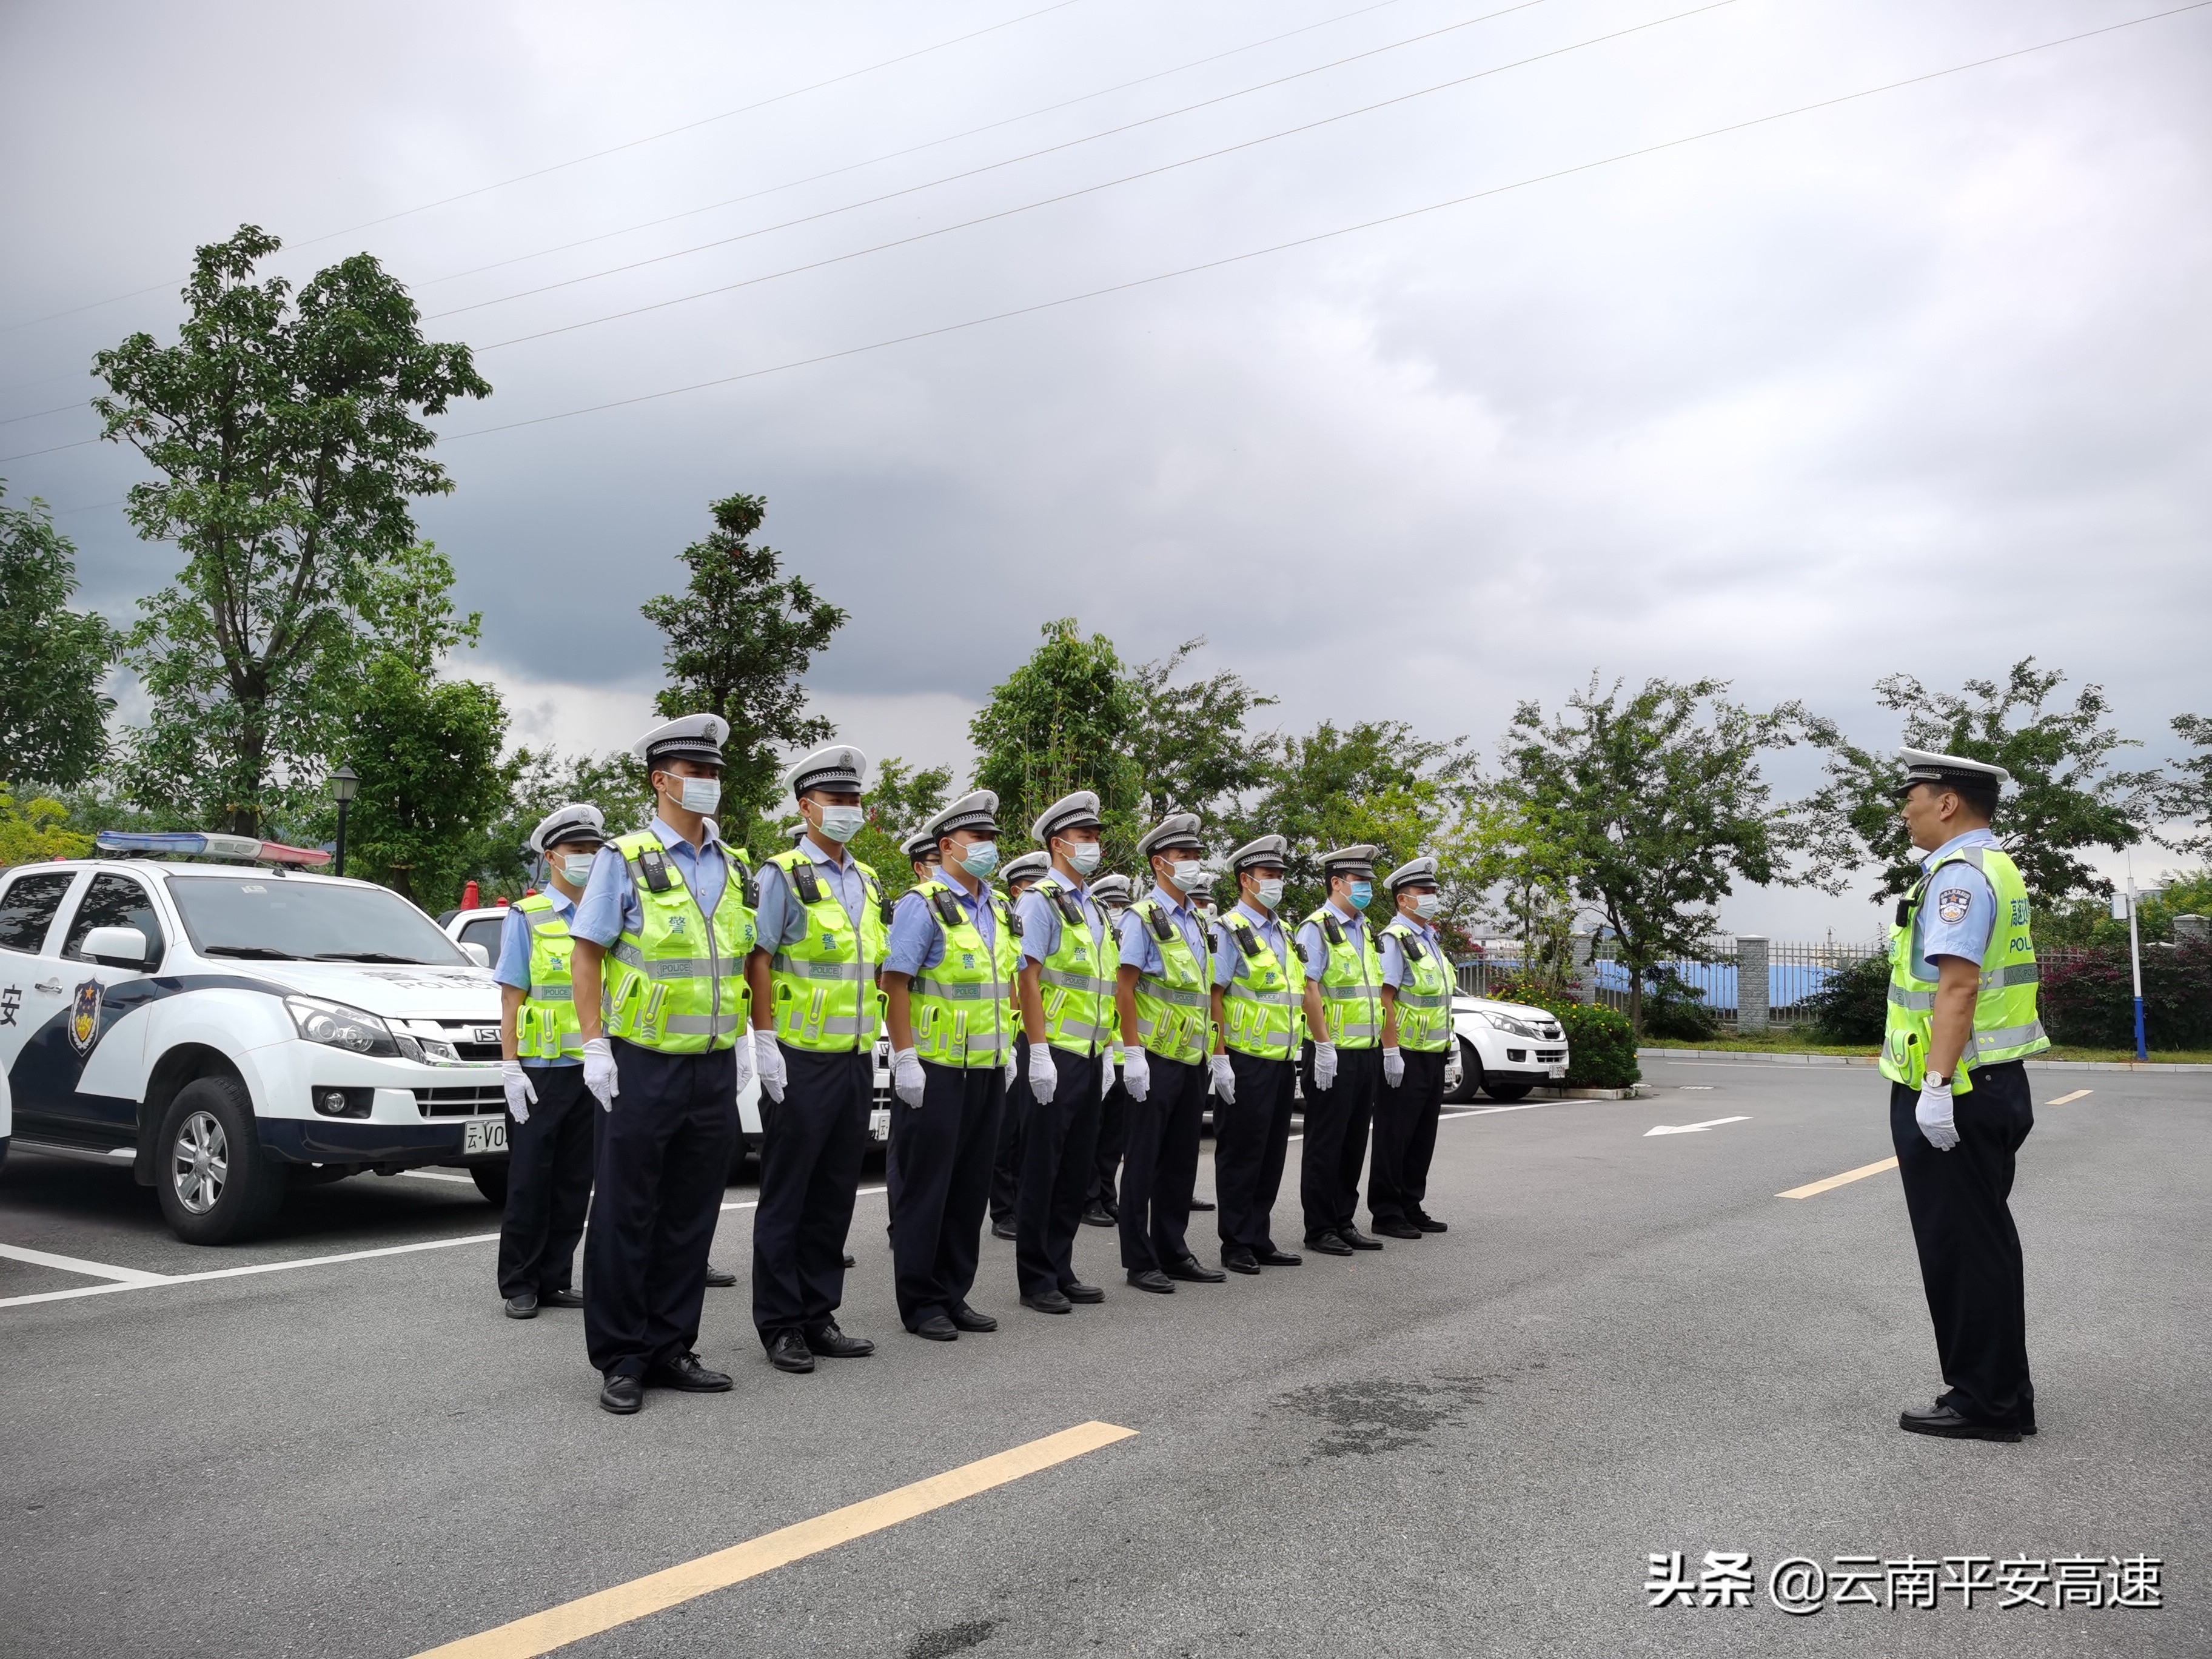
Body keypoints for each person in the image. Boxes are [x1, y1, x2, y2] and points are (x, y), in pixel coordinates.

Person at [568, 716, 756, 1415]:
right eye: (695, 772)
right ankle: (622, 1357)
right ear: (661, 779)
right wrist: (594, 1044)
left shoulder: (734, 866)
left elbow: (739, 960)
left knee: (691, 1213)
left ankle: (673, 1345)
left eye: (714, 773)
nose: (708, 783)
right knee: (626, 1210)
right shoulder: (627, 856)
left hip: (709, 1066)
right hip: (640, 1064)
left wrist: (745, 1043)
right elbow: (588, 953)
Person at [1883, 749, 2049, 1443]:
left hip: (1960, 1086)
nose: (1905, 809)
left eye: (1912, 796)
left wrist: (1936, 1088)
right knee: (1983, 1240)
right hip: (1993, 1082)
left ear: (1947, 801)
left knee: (1962, 1245)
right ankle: (2005, 1390)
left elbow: (1957, 986)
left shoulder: (1958, 877)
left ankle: (1984, 1402)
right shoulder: (1996, 866)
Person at [746, 743, 890, 1375]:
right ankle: (780, 1324)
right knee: (789, 1194)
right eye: (837, 800)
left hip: (856, 1057)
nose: (849, 810)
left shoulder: (868, 880)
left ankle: (819, 1313)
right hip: (800, 1058)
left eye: (856, 800)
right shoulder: (781, 874)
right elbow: (760, 957)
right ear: (807, 807)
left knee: (835, 1193)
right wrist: (765, 1041)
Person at [880, 791, 1018, 1341]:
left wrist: (1008, 1052)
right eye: (977, 840)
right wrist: (906, 1058)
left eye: (991, 840)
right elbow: (896, 982)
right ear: (948, 846)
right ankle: (921, 1302)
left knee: (968, 1187)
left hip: (986, 1065)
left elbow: (1002, 986)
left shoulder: (1000, 907)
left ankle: (954, 1291)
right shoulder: (923, 903)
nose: (986, 849)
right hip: (935, 1068)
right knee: (927, 1187)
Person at [492, 803, 605, 1319]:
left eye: (593, 851)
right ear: (552, 857)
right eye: (578, 851)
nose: (587, 859)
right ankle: (519, 1281)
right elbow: (511, 998)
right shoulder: (529, 916)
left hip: (591, 1069)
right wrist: (510, 1066)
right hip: (540, 1070)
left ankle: (556, 1277)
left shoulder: (605, 915)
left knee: (575, 1180)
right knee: (531, 1179)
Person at [1011, 792, 1116, 1314]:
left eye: (1096, 836)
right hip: (1053, 1054)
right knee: (1042, 1166)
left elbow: (1101, 985)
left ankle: (1061, 1264)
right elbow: (1026, 977)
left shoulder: (1093, 906)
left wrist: (1114, 1052)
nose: (1094, 845)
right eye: (1086, 837)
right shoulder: (1039, 900)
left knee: (1075, 1168)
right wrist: (1038, 1050)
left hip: (1091, 1054)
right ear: (1058, 844)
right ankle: (1036, 1278)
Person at [1114, 814, 1225, 1293]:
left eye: (1198, 856)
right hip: (1155, 1055)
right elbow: (1124, 987)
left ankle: (1173, 1249)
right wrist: (1132, 1052)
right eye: (1185, 857)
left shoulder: (1197, 920)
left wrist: (1216, 1056)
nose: (1195, 865)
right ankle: (1140, 1260)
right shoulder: (1140, 918)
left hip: (1192, 1057)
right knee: (1143, 1159)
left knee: (1181, 1158)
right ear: (1160, 863)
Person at [1207, 835, 1316, 1275]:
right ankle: (1235, 1243)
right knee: (1241, 1152)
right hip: (1244, 1057)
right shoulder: (1229, 929)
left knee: (1272, 1151)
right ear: (1246, 880)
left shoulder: (1284, 932)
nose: (1277, 883)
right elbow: (1215, 996)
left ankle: (1259, 1235)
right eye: (1269, 876)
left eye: (1280, 876)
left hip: (1280, 1058)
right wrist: (1219, 1057)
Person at [1298, 845, 1387, 1257]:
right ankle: (1319, 1227)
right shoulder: (1315, 929)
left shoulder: (1365, 930)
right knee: (1325, 1142)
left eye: (1369, 881)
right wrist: (1323, 1044)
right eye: (1360, 882)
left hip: (1365, 1051)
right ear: (1337, 883)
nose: (1367, 888)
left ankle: (1343, 1219)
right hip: (1332, 1052)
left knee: (1353, 1142)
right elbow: (1309, 989)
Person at [1370, 856, 1454, 1240]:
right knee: (1395, 1134)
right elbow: (1385, 999)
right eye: (1425, 892)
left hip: (1433, 1051)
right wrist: (1391, 1051)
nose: (1433, 897)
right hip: (1405, 1053)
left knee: (1422, 1134)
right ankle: (1386, 1212)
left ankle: (1410, 1204)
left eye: (1434, 891)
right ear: (1404, 900)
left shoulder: (1429, 938)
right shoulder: (1394, 940)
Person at [988, 849, 1052, 1239]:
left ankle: (1021, 1202)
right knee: (1007, 1127)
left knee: (1027, 1129)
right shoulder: (1006, 923)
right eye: (1032, 887)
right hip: (1008, 1035)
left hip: (1031, 1033)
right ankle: (1004, 1209)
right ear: (1017, 891)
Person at [1082, 873, 1134, 1228]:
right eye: (1111, 906)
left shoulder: (1114, 946)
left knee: (1112, 1139)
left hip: (1114, 1054)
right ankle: (1089, 1200)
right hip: (1095, 1051)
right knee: (1091, 1135)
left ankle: (1106, 1195)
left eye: (1120, 906)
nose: (1117, 912)